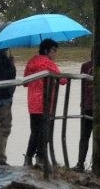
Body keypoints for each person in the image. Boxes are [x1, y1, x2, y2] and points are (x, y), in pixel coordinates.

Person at [23, 39, 67, 169]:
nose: (55, 53)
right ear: (47, 50)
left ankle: (29, 159)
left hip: (32, 104)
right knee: (44, 132)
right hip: (46, 103)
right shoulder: (49, 64)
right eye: (54, 50)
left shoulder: (31, 61)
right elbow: (63, 80)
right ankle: (39, 158)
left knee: (35, 132)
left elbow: (25, 83)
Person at [74, 58, 93, 172]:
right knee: (97, 138)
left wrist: (82, 102)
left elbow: (83, 86)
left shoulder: (85, 66)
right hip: (99, 106)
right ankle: (95, 165)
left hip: (87, 105)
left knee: (84, 137)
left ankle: (80, 164)